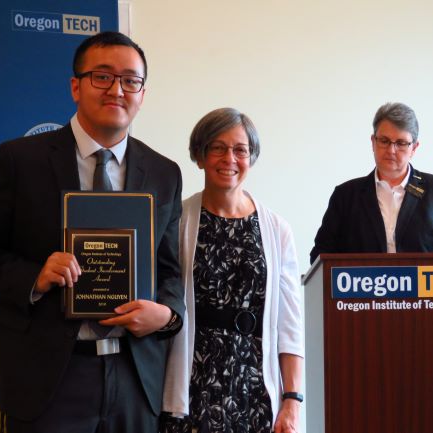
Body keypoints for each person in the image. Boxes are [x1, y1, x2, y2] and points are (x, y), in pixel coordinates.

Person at [0, 31, 185, 433]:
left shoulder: (164, 172)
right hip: (47, 379)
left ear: (142, 94)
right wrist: (35, 276)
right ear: (76, 86)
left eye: (130, 81)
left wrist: (167, 315)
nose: (117, 90)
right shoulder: (21, 159)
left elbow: (170, 270)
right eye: (102, 76)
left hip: (136, 378)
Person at [160, 108, 304, 433]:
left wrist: (292, 400)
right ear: (200, 156)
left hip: (256, 390)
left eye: (240, 150)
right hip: (191, 387)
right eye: (218, 148)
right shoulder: (176, 222)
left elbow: (290, 325)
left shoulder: (277, 230)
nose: (230, 159)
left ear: (251, 157)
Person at [310, 102, 433, 264]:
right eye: (384, 140)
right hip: (361, 280)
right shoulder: (345, 196)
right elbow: (320, 255)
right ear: (373, 142)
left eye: (401, 143)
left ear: (414, 148)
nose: (391, 150)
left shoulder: (431, 190)